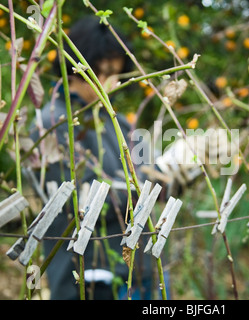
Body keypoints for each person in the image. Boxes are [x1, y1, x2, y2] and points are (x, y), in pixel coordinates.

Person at [30, 15, 159, 300]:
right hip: (90, 277)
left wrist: (181, 167)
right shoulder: (51, 125)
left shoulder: (117, 122)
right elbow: (83, 201)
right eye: (106, 70)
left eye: (118, 71)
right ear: (78, 67)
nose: (114, 81)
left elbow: (153, 169)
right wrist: (151, 183)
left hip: (140, 270)